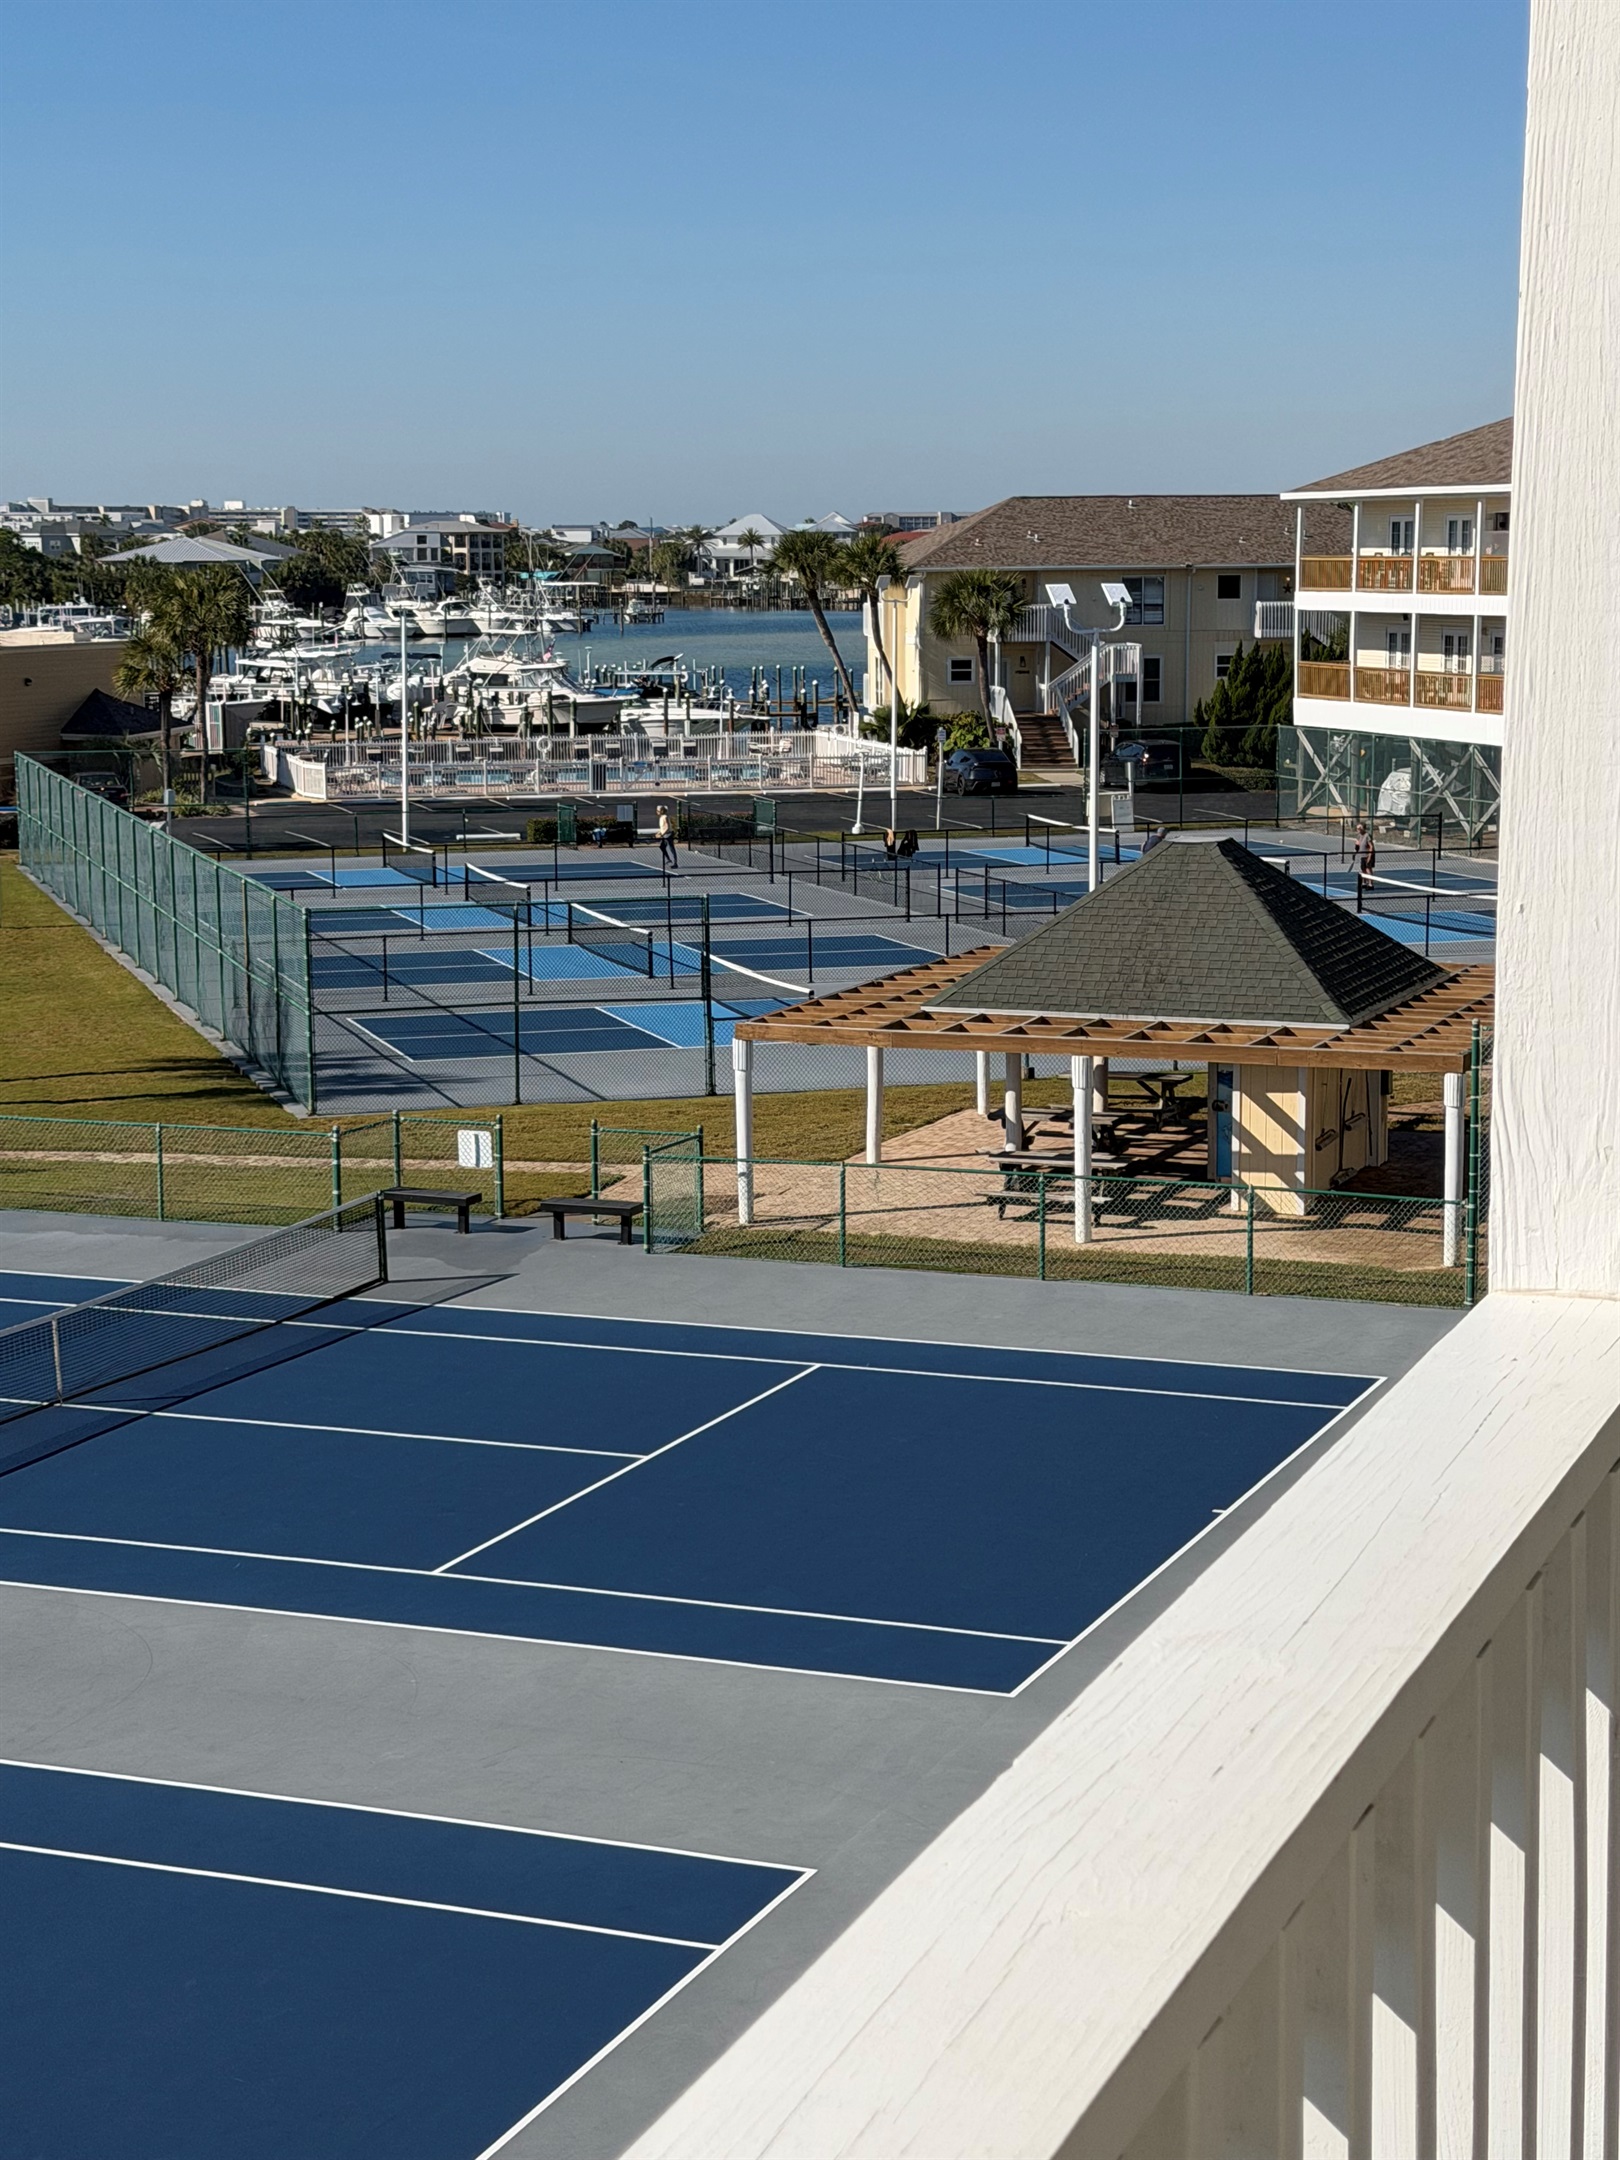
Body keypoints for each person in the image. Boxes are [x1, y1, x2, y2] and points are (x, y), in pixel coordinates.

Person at [1349, 820, 1376, 908]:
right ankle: (1364, 883)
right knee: (1363, 869)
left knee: (1368, 869)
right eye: (1357, 828)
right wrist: (1354, 853)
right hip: (1362, 855)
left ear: (1363, 828)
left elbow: (1371, 846)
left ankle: (1371, 884)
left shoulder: (1367, 835)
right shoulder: (1358, 836)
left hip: (1368, 855)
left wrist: (1369, 856)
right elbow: (1357, 845)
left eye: (1360, 828)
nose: (1358, 830)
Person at [656, 804, 678, 871]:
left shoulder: (665, 817)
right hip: (664, 835)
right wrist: (659, 833)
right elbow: (662, 827)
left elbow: (667, 827)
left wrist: (662, 834)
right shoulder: (661, 818)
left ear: (661, 811)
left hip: (668, 834)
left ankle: (675, 863)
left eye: (658, 811)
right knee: (662, 846)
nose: (657, 812)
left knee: (671, 848)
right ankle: (668, 859)